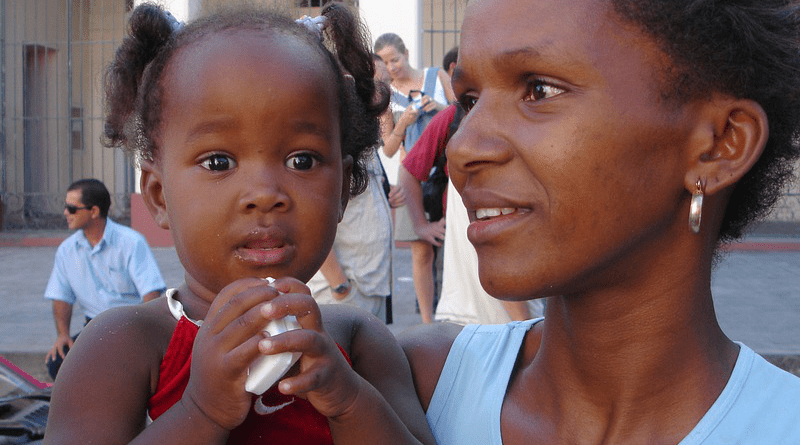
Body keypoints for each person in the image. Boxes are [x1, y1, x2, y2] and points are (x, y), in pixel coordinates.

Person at [400, 0, 800, 443]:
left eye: (540, 90)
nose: (461, 148)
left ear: (719, 144)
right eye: (470, 101)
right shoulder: (404, 391)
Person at [43, 3, 435, 444]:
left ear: (342, 191)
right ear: (158, 196)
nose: (265, 193)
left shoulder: (358, 342)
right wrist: (201, 411)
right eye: (219, 161)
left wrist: (348, 401)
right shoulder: (119, 347)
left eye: (301, 160)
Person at [44, 178, 166, 380]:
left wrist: (144, 337)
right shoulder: (67, 250)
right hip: (94, 327)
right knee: (58, 364)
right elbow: (61, 296)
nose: (65, 213)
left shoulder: (131, 243)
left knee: (123, 370)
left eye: (72, 208)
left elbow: (151, 292)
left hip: (130, 324)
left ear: (94, 212)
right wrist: (62, 334)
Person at [375, 33, 456, 324]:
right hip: (413, 175)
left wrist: (436, 108)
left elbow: (462, 113)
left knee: (455, 245)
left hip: (447, 170)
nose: (392, 67)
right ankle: (427, 322)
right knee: (421, 253)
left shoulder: (436, 76)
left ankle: (453, 312)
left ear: (406, 53)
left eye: (395, 59)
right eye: (385, 62)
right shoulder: (386, 95)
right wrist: (405, 122)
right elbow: (388, 147)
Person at [307, 149, 395, 321]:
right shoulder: (334, 142)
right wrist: (340, 285)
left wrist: (386, 194)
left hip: (372, 286)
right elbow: (309, 219)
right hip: (343, 292)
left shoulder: (362, 142)